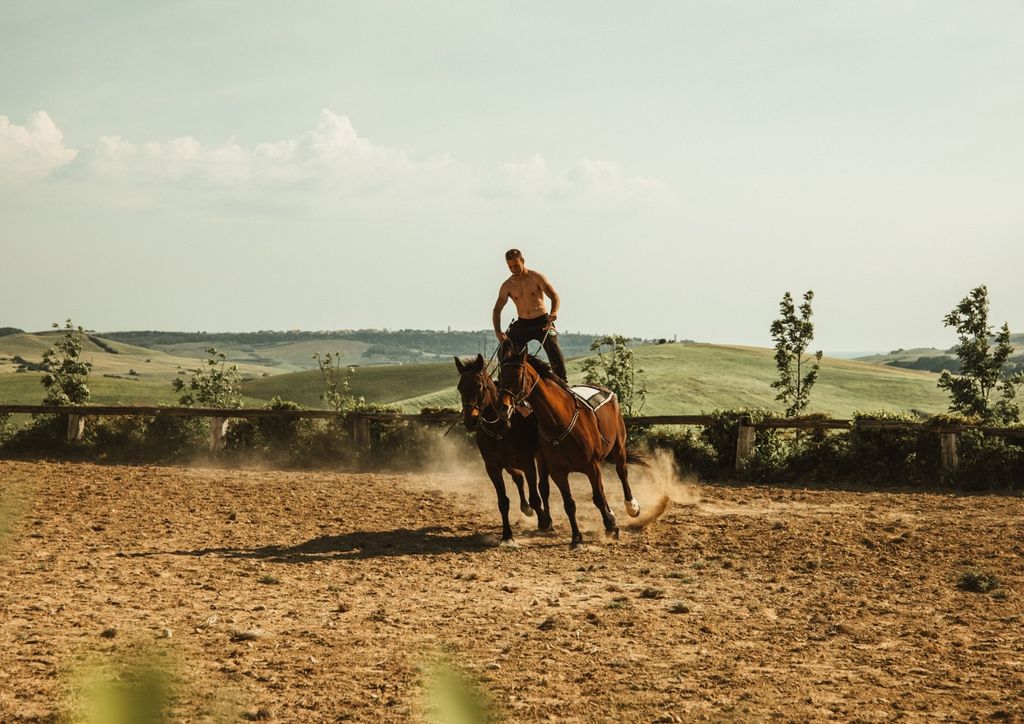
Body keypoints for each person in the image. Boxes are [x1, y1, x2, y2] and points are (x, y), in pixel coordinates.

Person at [493, 248, 568, 381]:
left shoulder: (536, 277)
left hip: (543, 321)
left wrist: (554, 312)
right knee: (505, 346)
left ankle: (562, 381)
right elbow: (497, 309)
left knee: (553, 347)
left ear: (522, 261)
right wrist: (498, 331)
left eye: (516, 265)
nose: (514, 269)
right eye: (510, 267)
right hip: (523, 323)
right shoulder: (507, 285)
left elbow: (554, 296)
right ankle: (507, 380)